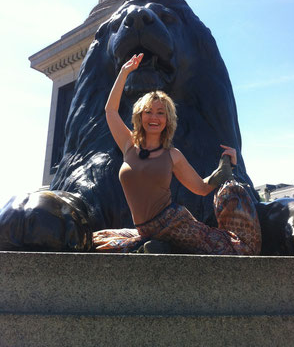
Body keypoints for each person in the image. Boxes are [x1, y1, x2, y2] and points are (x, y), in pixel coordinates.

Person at [92, 54, 262, 255]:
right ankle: (155, 246)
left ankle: (158, 245)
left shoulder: (173, 155)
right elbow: (110, 111)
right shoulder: (129, 145)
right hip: (146, 230)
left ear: (167, 120)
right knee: (96, 239)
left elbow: (201, 187)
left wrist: (226, 166)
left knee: (235, 250)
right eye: (148, 111)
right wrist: (124, 72)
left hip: (175, 224)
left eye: (161, 112)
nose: (154, 117)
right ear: (140, 116)